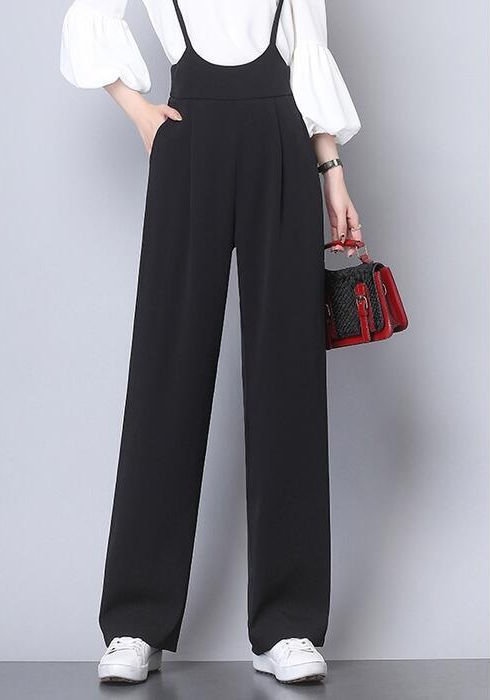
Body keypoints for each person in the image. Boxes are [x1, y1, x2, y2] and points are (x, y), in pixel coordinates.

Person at [60, 0, 362, 684]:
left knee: (288, 374)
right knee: (166, 371)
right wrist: (140, 114)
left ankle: (288, 625)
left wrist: (333, 174)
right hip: (188, 139)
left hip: (282, 139)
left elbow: (308, 52)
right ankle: (136, 621)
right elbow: (87, 17)